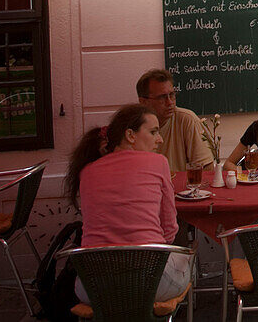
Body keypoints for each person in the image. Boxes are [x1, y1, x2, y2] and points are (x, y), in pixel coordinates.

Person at [63, 104, 190, 303]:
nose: (160, 139)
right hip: (149, 281)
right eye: (153, 132)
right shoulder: (158, 163)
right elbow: (169, 230)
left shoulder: (87, 172)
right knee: (187, 260)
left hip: (92, 288)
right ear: (130, 135)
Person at [137, 68, 213, 172]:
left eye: (172, 95)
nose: (170, 102)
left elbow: (206, 168)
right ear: (143, 102)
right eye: (162, 97)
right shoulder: (132, 127)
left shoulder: (187, 119)